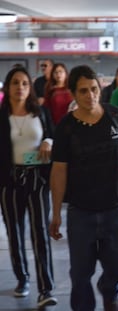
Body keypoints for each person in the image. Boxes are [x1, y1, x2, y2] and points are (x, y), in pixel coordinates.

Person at [49, 65, 118, 311]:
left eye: (93, 89)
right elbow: (59, 171)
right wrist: (56, 212)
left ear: (99, 88)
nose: (90, 95)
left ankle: (109, 289)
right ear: (73, 94)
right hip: (81, 212)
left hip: (115, 208)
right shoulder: (66, 128)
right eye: (83, 91)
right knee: (80, 274)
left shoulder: (117, 116)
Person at [0, 66, 57, 308]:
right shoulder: (2, 117)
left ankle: (45, 288)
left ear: (29, 87)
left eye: (24, 83)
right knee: (14, 232)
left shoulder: (41, 112)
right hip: (9, 180)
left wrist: (47, 140)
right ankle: (22, 278)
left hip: (37, 180)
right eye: (15, 83)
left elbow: (54, 135)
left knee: (40, 234)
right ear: (8, 87)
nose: (20, 87)